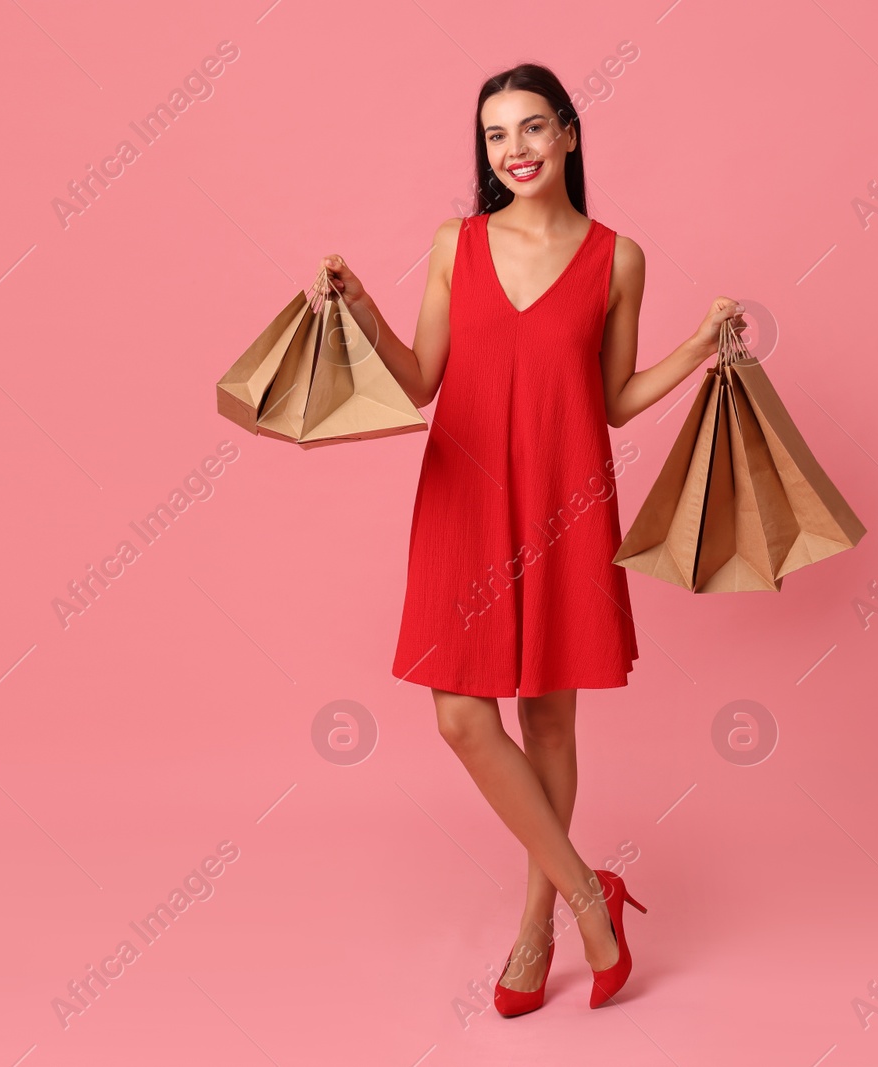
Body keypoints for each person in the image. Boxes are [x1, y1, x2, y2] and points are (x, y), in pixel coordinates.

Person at [317, 63, 743, 1014]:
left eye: (532, 128)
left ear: (570, 136)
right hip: (463, 498)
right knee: (463, 716)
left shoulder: (617, 258)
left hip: (563, 499)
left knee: (550, 720)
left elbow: (617, 400)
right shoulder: (455, 244)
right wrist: (358, 305)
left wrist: (700, 345)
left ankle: (533, 929)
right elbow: (422, 378)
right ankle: (595, 899)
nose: (513, 150)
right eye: (496, 135)